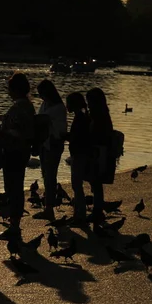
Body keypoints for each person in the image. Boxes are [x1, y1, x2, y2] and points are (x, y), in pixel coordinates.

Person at [0, 73, 35, 240]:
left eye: (10, 89)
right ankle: (14, 223)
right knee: (15, 187)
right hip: (21, 152)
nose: (8, 92)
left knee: (13, 188)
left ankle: (14, 226)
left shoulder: (18, 107)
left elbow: (18, 131)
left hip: (14, 152)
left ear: (16, 89)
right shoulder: (27, 106)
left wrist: (0, 131)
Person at [33, 80, 67, 221]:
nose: (40, 96)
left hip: (53, 144)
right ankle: (48, 206)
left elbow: (42, 119)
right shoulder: (45, 104)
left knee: (50, 176)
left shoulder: (59, 107)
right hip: (44, 143)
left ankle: (49, 209)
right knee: (46, 175)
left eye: (41, 93)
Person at [85, 87, 114, 223]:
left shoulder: (98, 117)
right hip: (100, 151)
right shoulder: (103, 115)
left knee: (96, 182)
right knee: (96, 183)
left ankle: (97, 211)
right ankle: (98, 209)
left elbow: (98, 135)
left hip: (98, 152)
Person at [66, 92, 91, 224]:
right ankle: (79, 213)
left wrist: (66, 136)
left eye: (68, 103)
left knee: (77, 185)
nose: (66, 106)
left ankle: (80, 215)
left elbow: (79, 138)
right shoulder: (82, 117)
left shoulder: (80, 118)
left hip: (79, 154)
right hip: (80, 154)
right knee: (77, 185)